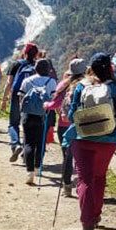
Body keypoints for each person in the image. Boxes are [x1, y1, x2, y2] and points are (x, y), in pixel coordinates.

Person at [67, 52, 116, 230]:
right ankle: (96, 215)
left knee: (84, 179)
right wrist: (114, 131)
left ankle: (87, 225)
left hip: (82, 137)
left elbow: (71, 115)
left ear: (90, 68)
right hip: (107, 139)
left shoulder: (81, 86)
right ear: (110, 67)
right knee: (99, 177)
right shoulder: (115, 86)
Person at [46, 57, 87, 197]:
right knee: (83, 157)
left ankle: (67, 186)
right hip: (84, 125)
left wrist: (46, 106)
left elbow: (54, 104)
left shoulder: (64, 85)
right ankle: (84, 186)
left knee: (67, 156)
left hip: (64, 125)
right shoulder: (90, 85)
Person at [18, 59, 58, 185]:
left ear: (35, 68)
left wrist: (22, 111)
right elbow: (53, 99)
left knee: (28, 142)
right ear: (48, 70)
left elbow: (21, 97)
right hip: (43, 116)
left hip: (28, 115)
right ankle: (37, 168)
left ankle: (29, 172)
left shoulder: (27, 80)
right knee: (40, 143)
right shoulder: (52, 81)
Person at [1, 42, 40, 162]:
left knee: (13, 123)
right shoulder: (38, 65)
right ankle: (26, 150)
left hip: (17, 95)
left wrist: (4, 99)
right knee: (28, 125)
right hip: (33, 97)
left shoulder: (16, 64)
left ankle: (15, 144)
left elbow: (9, 83)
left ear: (24, 52)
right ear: (36, 54)